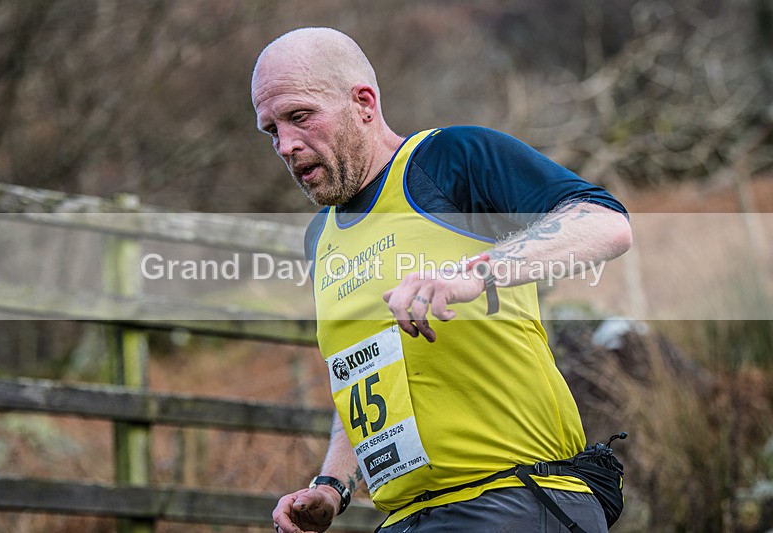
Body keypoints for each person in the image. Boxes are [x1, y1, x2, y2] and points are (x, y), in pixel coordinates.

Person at [252, 27, 632, 533]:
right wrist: (332, 486)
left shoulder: (449, 159)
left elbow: (605, 221)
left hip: (517, 497)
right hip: (406, 518)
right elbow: (365, 374)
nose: (285, 144)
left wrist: (473, 275)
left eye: (299, 116)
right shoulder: (319, 239)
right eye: (271, 130)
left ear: (363, 102)